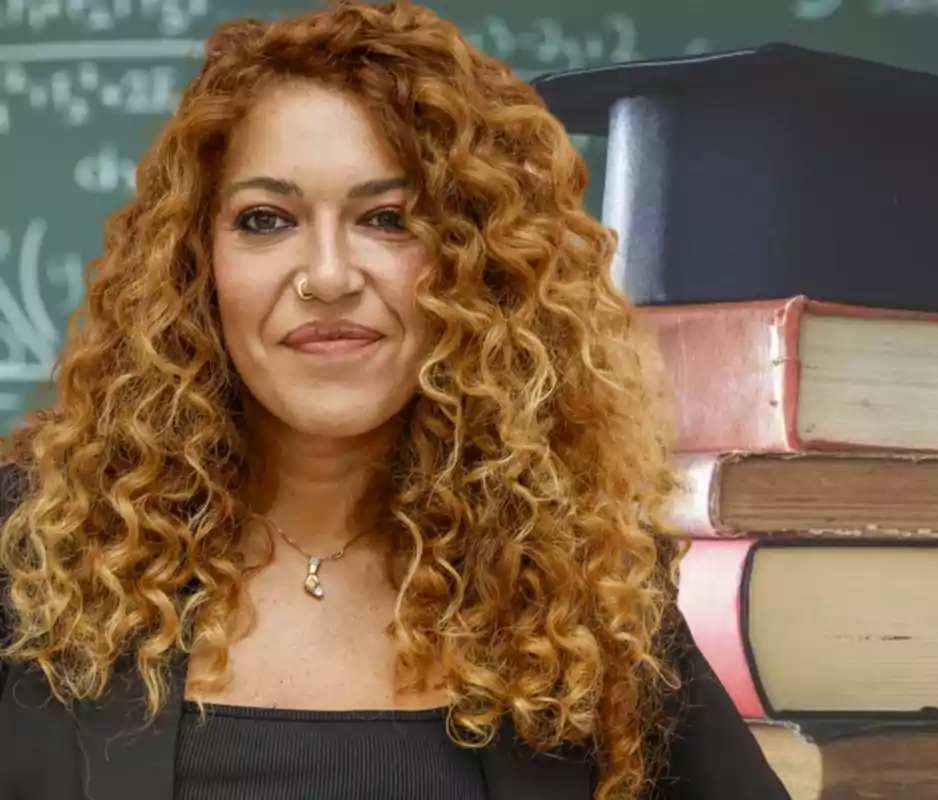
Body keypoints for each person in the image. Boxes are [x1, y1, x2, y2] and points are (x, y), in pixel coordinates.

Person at [0, 1, 788, 798]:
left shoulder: (585, 584)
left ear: (477, 266)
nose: (330, 276)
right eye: (266, 219)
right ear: (194, 264)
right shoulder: (28, 552)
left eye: (388, 219)